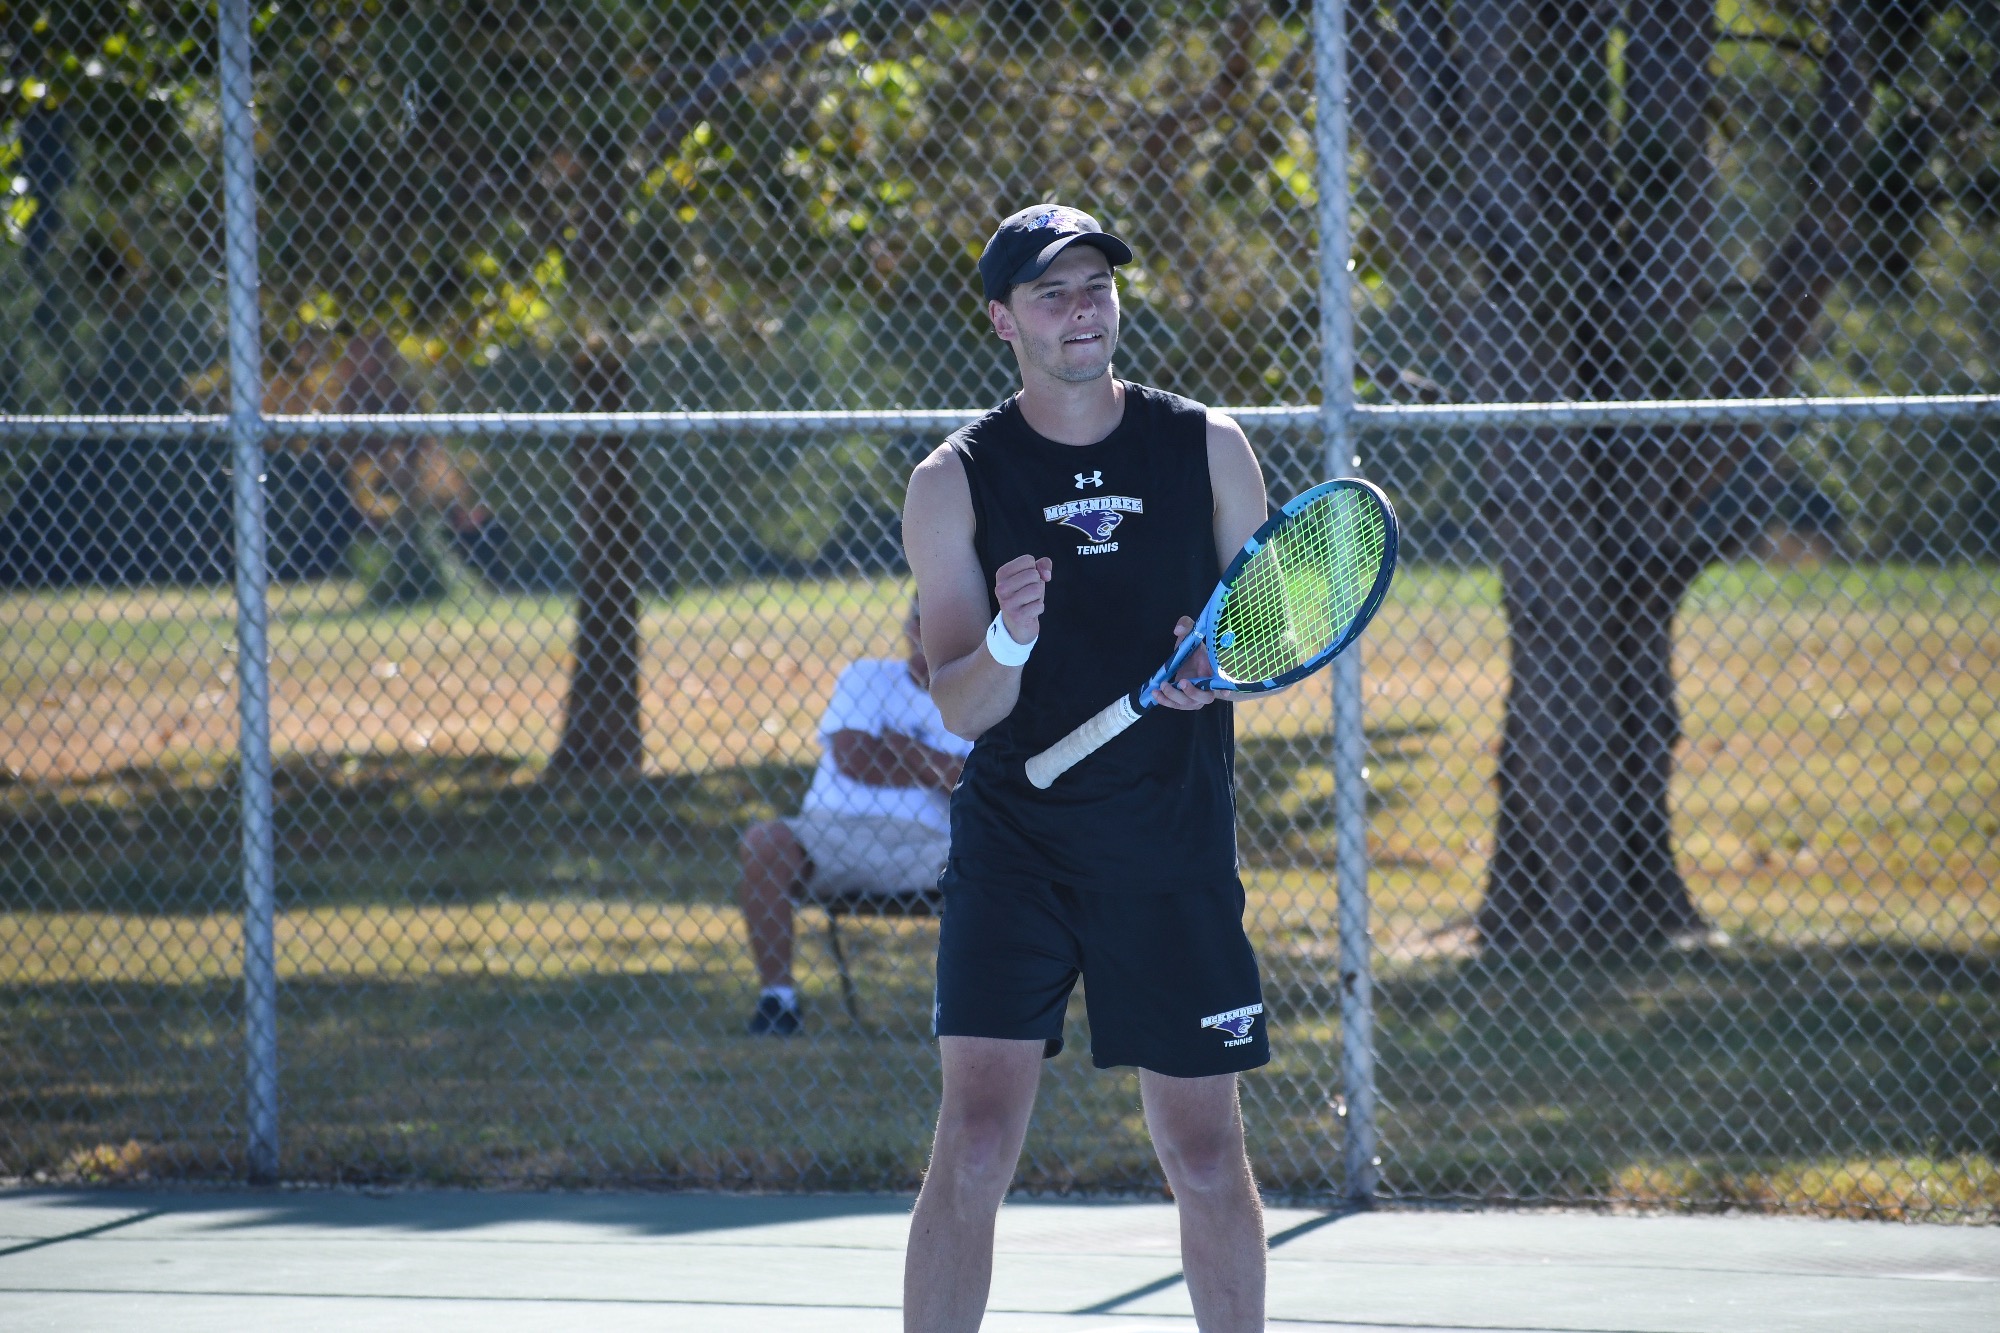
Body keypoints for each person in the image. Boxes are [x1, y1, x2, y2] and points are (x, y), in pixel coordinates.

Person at [900, 204, 1275, 1330]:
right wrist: (1009, 637)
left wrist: (1218, 667)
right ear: (1000, 322)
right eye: (1051, 291)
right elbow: (961, 703)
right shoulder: (953, 480)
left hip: (1169, 847)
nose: (1080, 308)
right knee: (970, 1141)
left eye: (1095, 286)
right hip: (1016, 848)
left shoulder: (1207, 444)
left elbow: (1266, 632)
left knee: (1203, 1152)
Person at [738, 599, 972, 1036]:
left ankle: (953, 1016)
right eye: (922, 620)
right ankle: (778, 1003)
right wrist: (934, 767)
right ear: (909, 627)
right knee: (765, 841)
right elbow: (853, 759)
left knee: (983, 866)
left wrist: (905, 747)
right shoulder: (867, 677)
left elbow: (969, 787)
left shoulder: (981, 704)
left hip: (928, 847)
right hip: (832, 834)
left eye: (945, 621)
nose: (929, 632)